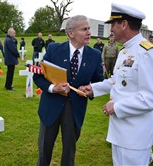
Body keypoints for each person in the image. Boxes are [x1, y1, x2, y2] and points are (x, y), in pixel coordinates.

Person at [80, 3, 153, 166]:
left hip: (135, 136)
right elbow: (117, 81)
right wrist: (93, 89)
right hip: (121, 132)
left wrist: (117, 107)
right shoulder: (125, 51)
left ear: (124, 24)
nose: (111, 29)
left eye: (113, 24)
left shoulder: (146, 52)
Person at [33, 15, 104, 166]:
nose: (89, 33)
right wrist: (53, 88)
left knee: (69, 153)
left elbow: (98, 82)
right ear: (71, 33)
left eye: (89, 28)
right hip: (50, 108)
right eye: (84, 29)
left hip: (75, 110)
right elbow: (38, 77)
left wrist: (91, 90)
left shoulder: (95, 55)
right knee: (44, 151)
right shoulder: (53, 49)